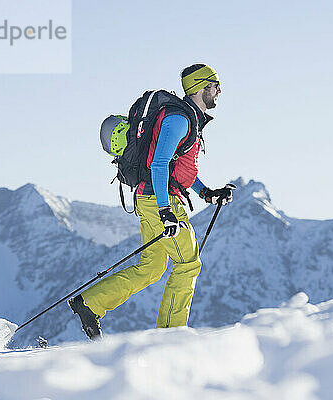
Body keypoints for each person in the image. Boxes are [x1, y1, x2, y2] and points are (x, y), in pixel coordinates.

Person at [68, 64, 234, 339]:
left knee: (152, 267)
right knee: (188, 264)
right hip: (160, 200)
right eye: (216, 85)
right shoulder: (180, 120)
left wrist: (207, 193)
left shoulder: (188, 119)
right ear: (201, 87)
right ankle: (171, 337)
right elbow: (159, 164)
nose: (219, 90)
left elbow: (180, 171)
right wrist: (166, 210)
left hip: (150, 198)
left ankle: (90, 304)